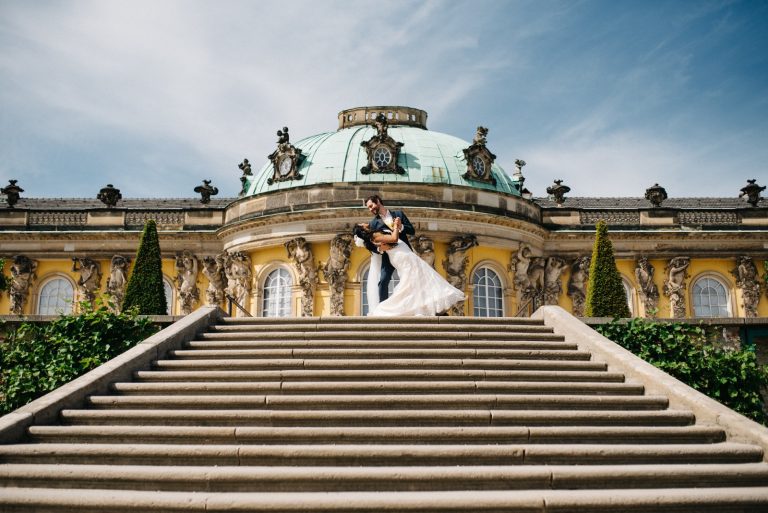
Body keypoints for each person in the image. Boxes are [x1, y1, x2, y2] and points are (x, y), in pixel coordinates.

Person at [353, 220, 465, 316]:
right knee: (412, 281)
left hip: (403, 255)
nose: (364, 223)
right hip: (403, 256)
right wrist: (396, 226)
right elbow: (394, 238)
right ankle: (388, 308)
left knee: (415, 281)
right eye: (361, 224)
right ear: (362, 229)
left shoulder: (374, 234)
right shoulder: (374, 236)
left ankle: (423, 305)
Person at [364, 194, 415, 302]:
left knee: (413, 279)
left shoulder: (398, 214)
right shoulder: (373, 223)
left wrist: (401, 226)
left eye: (371, 205)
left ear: (378, 201)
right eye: (368, 207)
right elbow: (369, 244)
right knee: (383, 280)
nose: (370, 209)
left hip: (404, 252)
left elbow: (412, 230)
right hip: (388, 256)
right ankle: (383, 310)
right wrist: (379, 249)